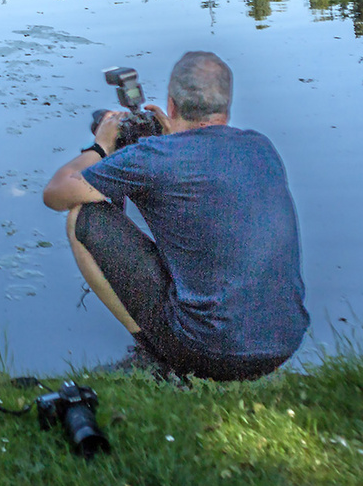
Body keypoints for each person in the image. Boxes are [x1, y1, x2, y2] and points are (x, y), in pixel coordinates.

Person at [42, 51, 308, 380]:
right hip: (282, 345)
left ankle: (153, 353)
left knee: (82, 217)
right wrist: (170, 141)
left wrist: (100, 147)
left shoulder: (154, 158)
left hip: (208, 353)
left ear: (170, 105)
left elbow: (56, 193)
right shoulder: (261, 148)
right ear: (227, 104)